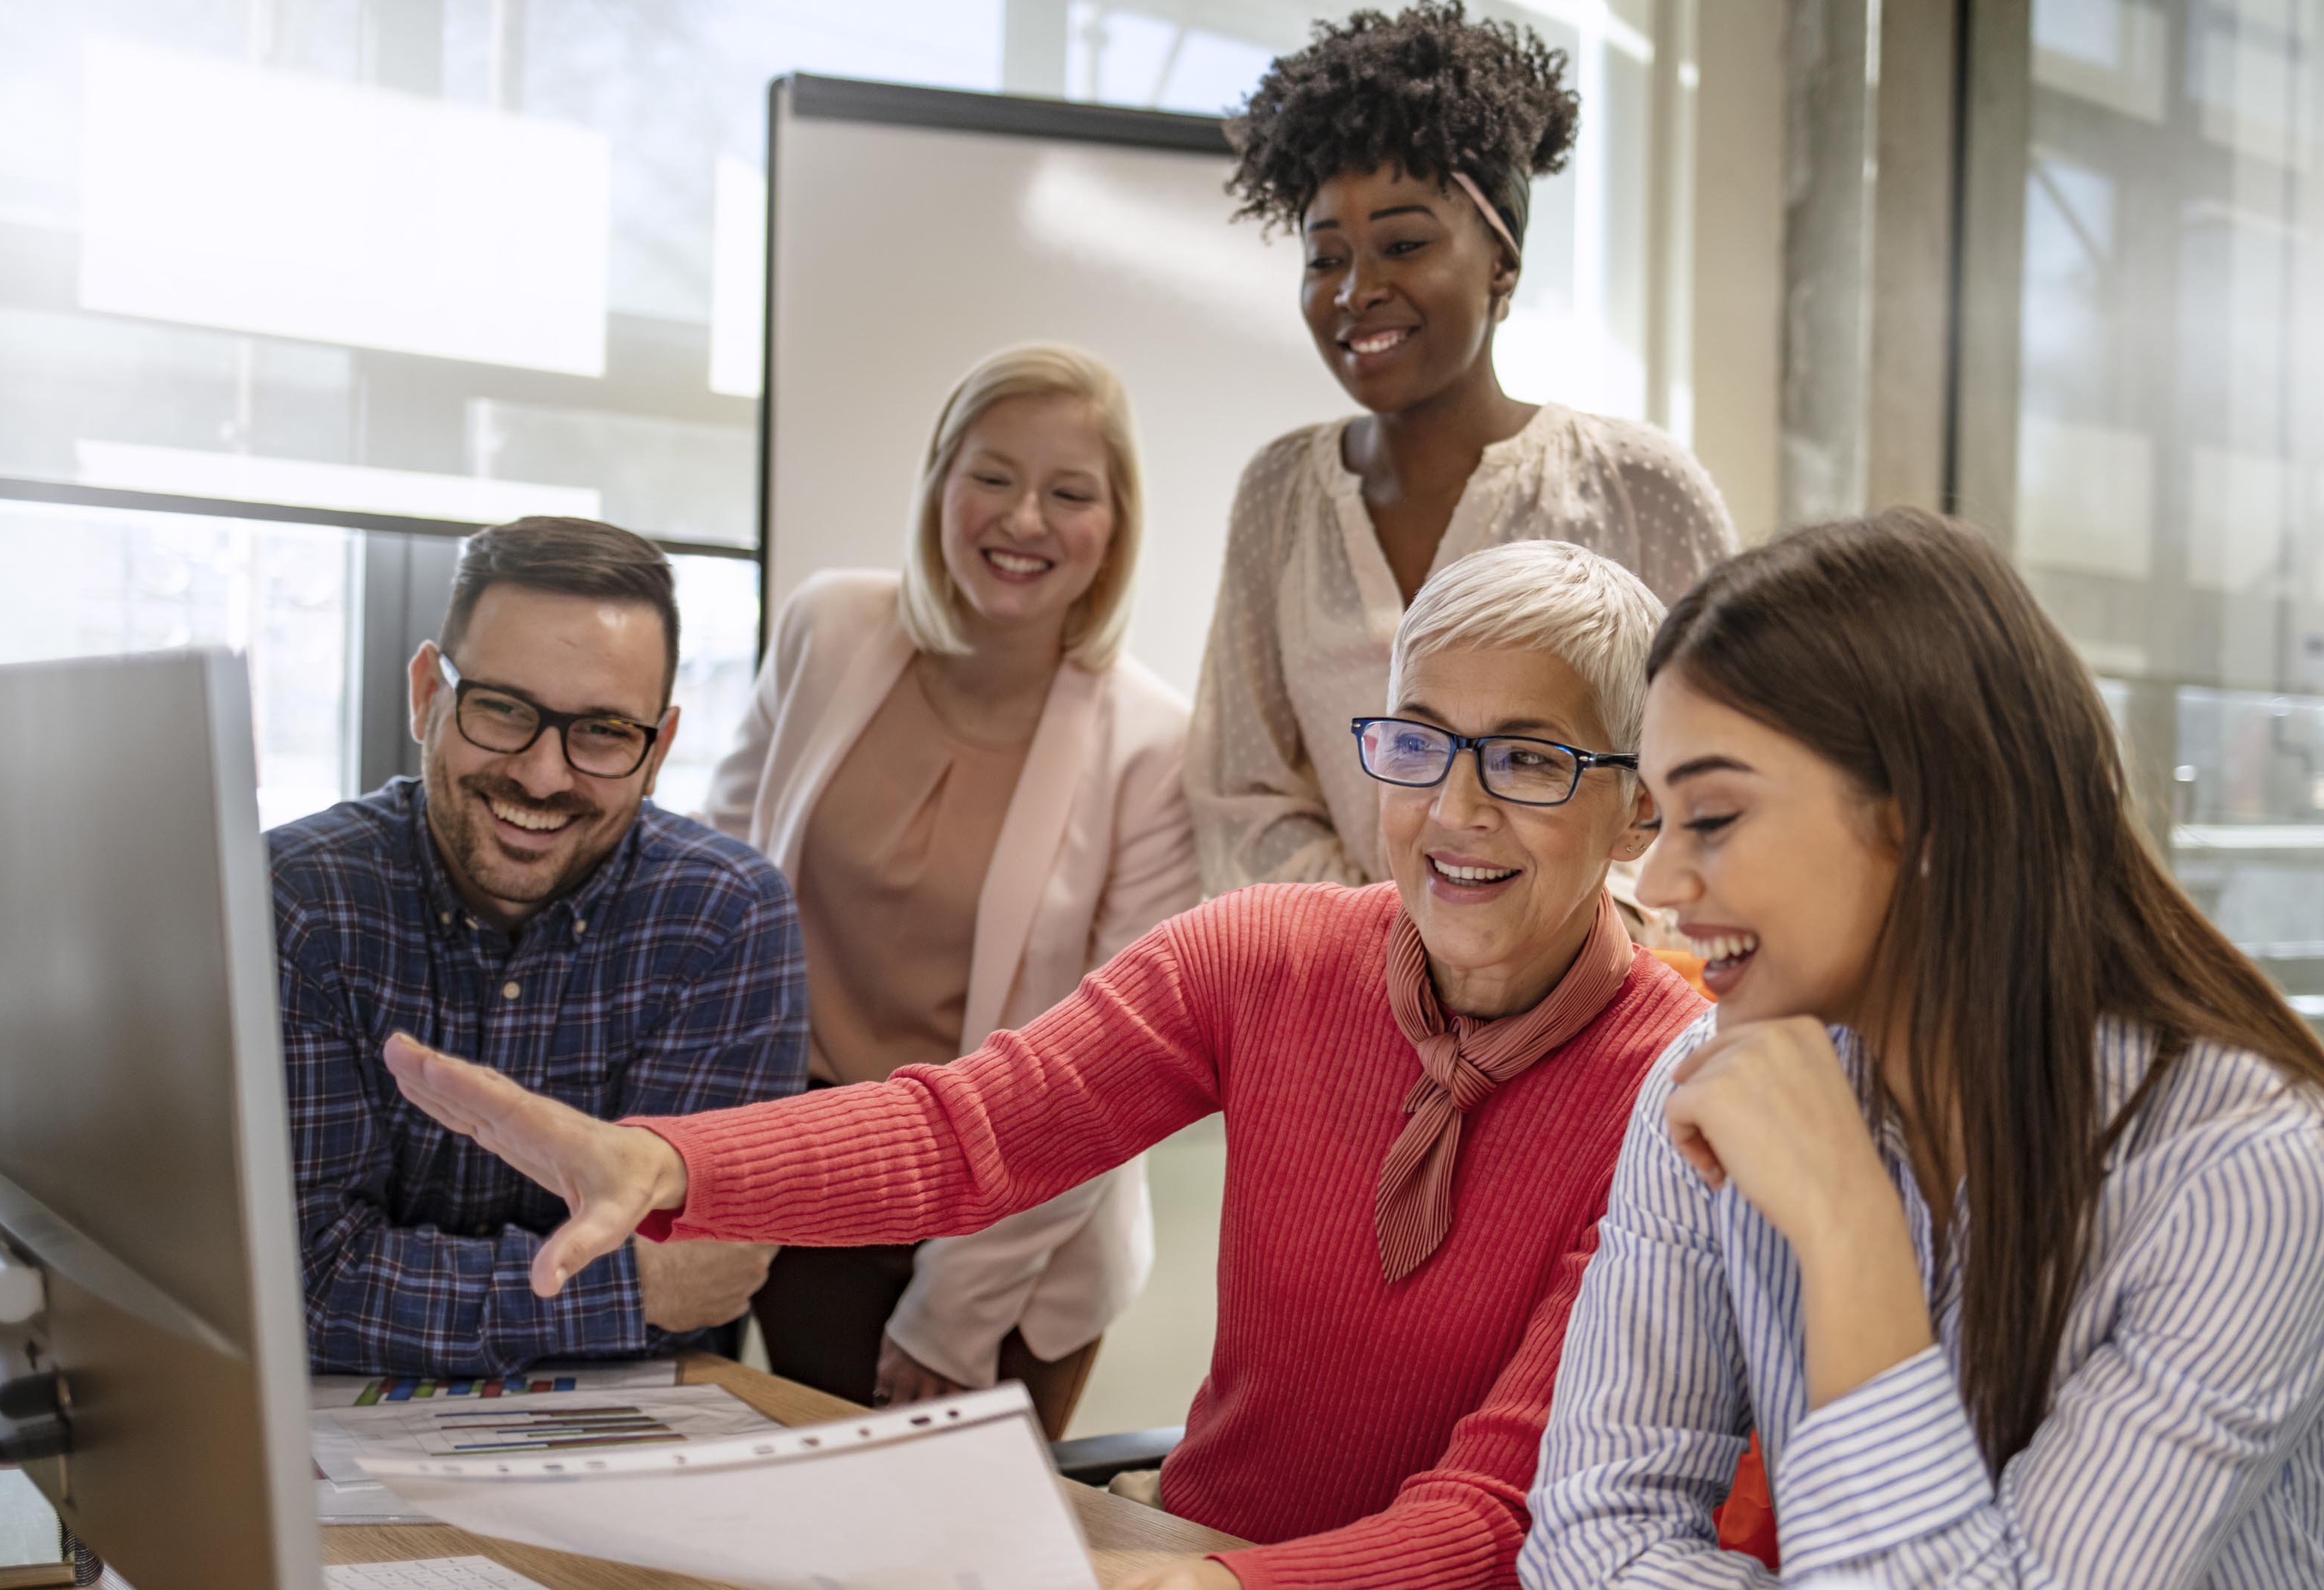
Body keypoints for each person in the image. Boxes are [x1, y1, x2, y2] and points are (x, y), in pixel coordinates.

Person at [382, 542, 1710, 1590]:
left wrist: (1204, 1585)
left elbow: (1493, 1516)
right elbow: (967, 1133)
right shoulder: (1269, 955)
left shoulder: (1670, 1090)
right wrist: (669, 1161)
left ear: (1638, 802)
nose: (1456, 809)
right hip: (1188, 1551)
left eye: (1527, 760)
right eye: (1417, 741)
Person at [1520, 510, 2324, 1587]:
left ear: (1926, 821)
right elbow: (1595, 1537)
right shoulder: (1713, 1087)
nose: (1663, 885)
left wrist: (1847, 1230)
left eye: (1717, 817)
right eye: (1661, 819)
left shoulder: (2252, 1172)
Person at [713, 344, 1194, 1434]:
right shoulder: (828, 627)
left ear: (1114, 528)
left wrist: (956, 1308)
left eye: (1070, 493)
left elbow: (1115, 1068)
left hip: (1025, 1235)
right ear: (939, 480)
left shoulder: (1156, 746)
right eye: (992, 475)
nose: (1024, 519)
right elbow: (718, 893)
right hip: (816, 1191)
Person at [1189, 0, 1739, 903]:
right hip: (1348, 994)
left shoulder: (1639, 487)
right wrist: (1404, 944)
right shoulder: (1280, 493)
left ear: (1503, 264)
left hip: (1599, 999)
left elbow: (1717, 774)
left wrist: (1536, 948)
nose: (1358, 290)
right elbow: (1243, 791)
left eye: (1404, 243)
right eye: (1326, 258)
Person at [272, 516, 808, 1377]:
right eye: (502, 709)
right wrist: (629, 1289)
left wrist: (411, 1285)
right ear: (426, 695)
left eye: (600, 730)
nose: (543, 774)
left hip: (623, 1447)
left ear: (658, 749)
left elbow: (708, 1279)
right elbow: (297, 1281)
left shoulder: (725, 916)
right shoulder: (298, 902)